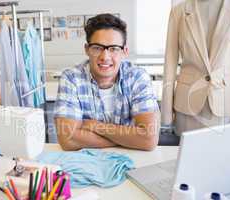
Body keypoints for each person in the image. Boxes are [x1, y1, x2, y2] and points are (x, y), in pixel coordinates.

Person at [54, 13, 160, 151]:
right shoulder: (71, 79)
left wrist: (97, 127)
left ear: (124, 51)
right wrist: (129, 139)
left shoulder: (137, 77)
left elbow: (149, 139)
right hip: (86, 162)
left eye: (114, 49)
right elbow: (67, 139)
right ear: (87, 49)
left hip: (131, 160)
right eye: (97, 48)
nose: (105, 57)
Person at [161, 0, 230, 135]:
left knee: (225, 154)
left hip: (226, 102)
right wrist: (166, 113)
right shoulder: (179, 11)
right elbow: (170, 62)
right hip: (187, 103)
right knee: (189, 154)